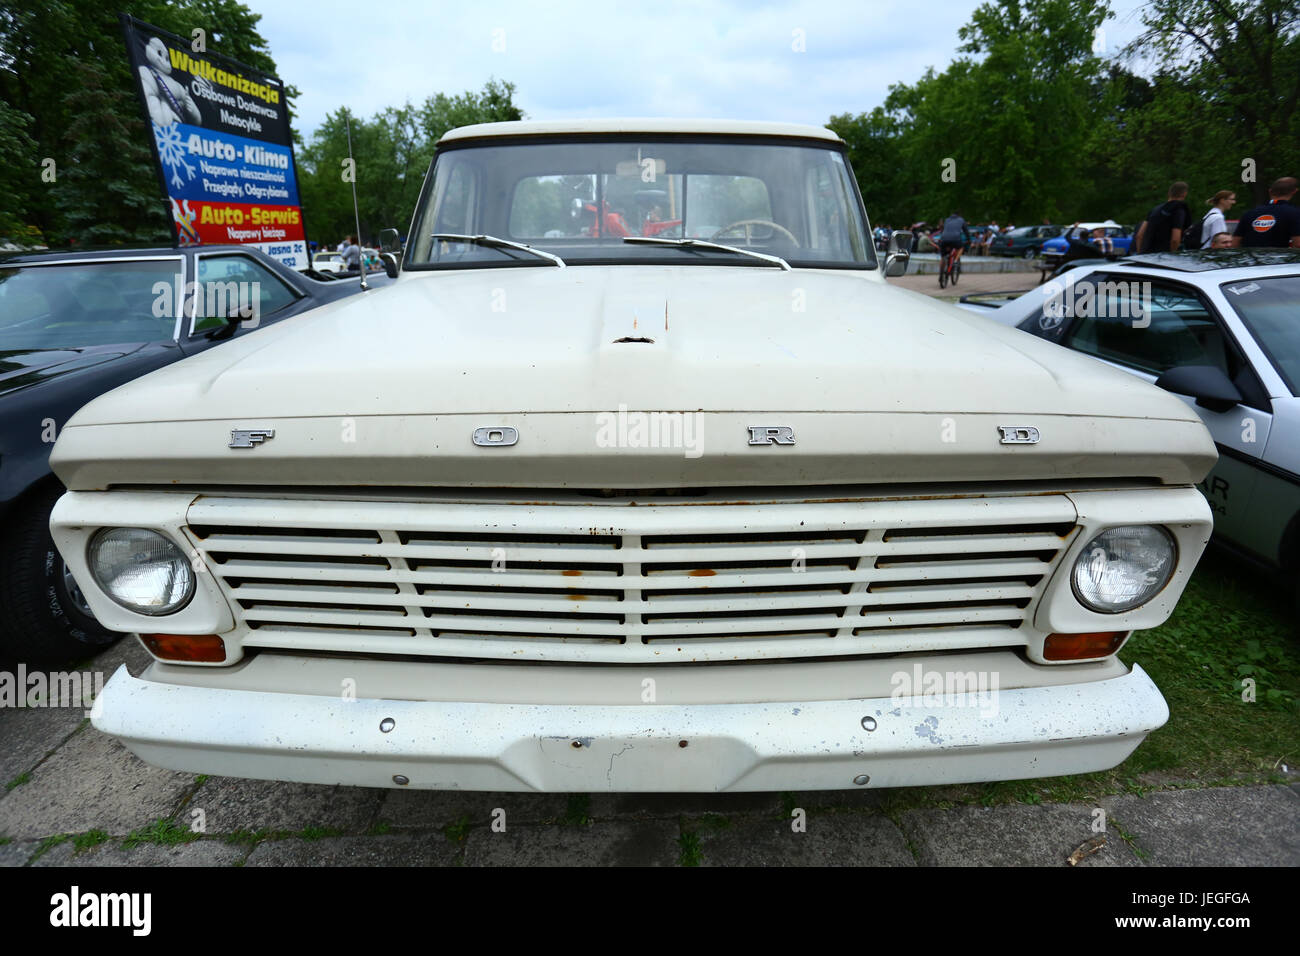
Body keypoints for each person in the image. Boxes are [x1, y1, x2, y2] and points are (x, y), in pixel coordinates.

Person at [1230, 177, 1300, 249]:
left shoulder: (1249, 213)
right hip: (1278, 258)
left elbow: (1235, 244)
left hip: (1249, 259)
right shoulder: (1295, 213)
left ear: (1270, 191)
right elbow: (1298, 244)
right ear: (1294, 191)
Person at [1134, 182, 1192, 253]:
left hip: (1147, 256)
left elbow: (1139, 235)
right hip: (1163, 257)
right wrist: (1172, 256)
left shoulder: (1154, 210)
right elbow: (1175, 240)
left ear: (1169, 193)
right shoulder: (1178, 209)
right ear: (1185, 194)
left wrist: (1140, 254)